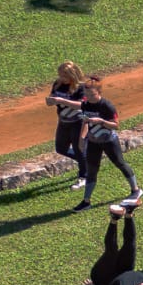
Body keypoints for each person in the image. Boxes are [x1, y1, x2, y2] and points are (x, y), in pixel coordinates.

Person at [73, 76, 140, 212]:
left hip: (109, 140)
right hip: (93, 142)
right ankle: (86, 201)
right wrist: (81, 138)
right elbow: (85, 122)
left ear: (99, 92)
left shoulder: (106, 106)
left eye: (92, 95)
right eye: (87, 95)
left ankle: (136, 190)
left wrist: (101, 121)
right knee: (92, 170)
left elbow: (116, 125)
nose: (89, 98)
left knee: (120, 163)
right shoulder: (85, 104)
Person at [45, 61, 87, 190]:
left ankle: (84, 176)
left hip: (78, 122)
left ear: (73, 75)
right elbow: (52, 97)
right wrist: (50, 101)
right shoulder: (58, 84)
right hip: (63, 121)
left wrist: (62, 100)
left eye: (64, 76)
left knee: (79, 149)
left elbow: (82, 105)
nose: (61, 78)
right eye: (60, 75)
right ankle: (87, 161)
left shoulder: (81, 87)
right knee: (61, 148)